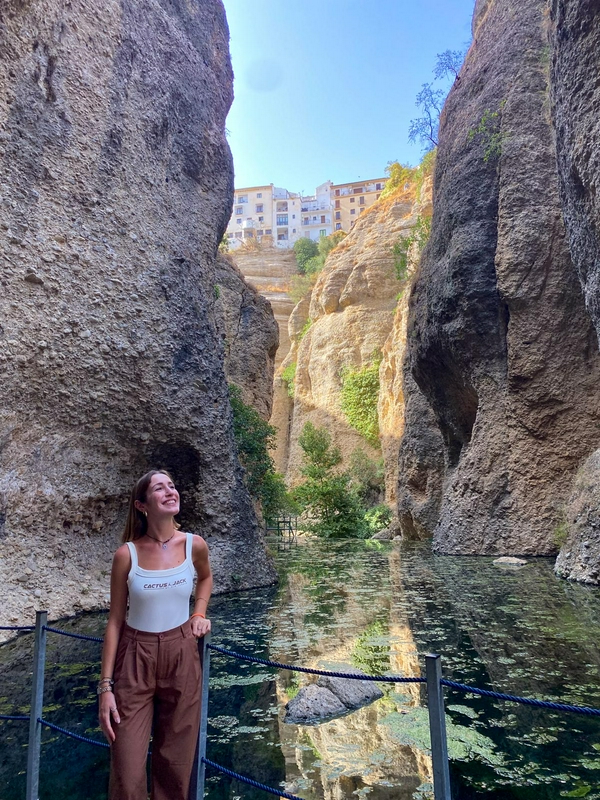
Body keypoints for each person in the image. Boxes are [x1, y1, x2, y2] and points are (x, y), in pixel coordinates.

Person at [98, 469, 212, 800]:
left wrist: (199, 612)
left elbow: (205, 579)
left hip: (181, 653)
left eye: (172, 486)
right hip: (135, 657)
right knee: (127, 770)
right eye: (159, 488)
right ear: (142, 505)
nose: (169, 491)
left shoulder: (194, 545)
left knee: (175, 767)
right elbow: (115, 622)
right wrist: (105, 688)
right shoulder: (126, 555)